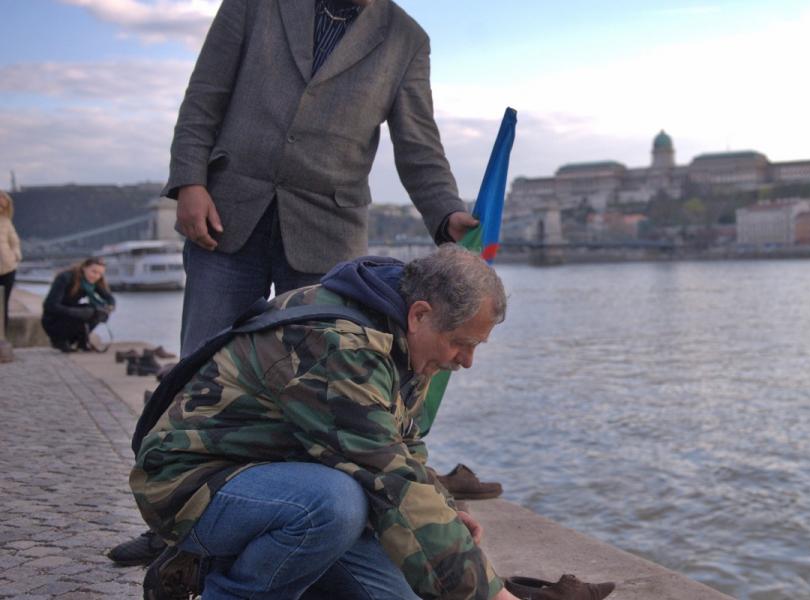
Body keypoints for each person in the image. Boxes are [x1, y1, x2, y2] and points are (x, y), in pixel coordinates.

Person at [131, 246, 522, 600]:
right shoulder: (341, 348)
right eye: (462, 343)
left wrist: (446, 512)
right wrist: (492, 595)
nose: (467, 361)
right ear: (420, 314)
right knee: (337, 504)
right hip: (193, 483)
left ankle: (225, 564)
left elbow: (403, 449)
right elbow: (389, 479)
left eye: (475, 347)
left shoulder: (404, 337)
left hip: (282, 479)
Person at [165, 0, 478, 357]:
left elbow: (419, 147)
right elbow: (204, 96)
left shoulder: (407, 40)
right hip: (225, 217)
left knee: (316, 380)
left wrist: (447, 213)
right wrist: (190, 181)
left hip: (328, 234)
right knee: (203, 368)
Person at [40, 257, 115, 353]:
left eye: (100, 274)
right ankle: (60, 341)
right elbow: (50, 305)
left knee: (100, 312)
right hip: (54, 320)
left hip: (69, 314)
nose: (96, 276)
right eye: (94, 272)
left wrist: (109, 307)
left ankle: (82, 342)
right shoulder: (65, 277)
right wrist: (79, 312)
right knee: (89, 312)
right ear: (84, 268)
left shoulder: (91, 282)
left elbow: (109, 298)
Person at [0, 190, 20, 322]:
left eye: (3, 206)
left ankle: (1, 337)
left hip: (8, 268)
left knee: (3, 305)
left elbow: (15, 243)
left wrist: (15, 256)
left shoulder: (6, 222)